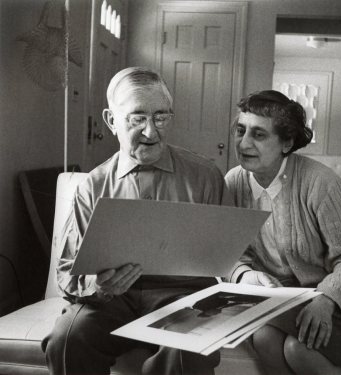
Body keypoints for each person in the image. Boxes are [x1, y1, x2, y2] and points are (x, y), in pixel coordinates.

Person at [42, 67, 230, 375]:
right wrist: (98, 285)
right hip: (110, 301)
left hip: (184, 297)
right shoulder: (93, 185)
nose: (151, 132)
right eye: (137, 117)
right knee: (66, 339)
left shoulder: (205, 175)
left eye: (161, 117)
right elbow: (66, 270)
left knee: (187, 350)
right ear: (111, 120)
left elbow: (228, 254)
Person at [225, 90, 341, 375]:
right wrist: (245, 274)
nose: (243, 143)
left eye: (258, 134)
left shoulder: (320, 181)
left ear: (287, 142)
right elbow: (230, 252)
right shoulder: (233, 182)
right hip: (285, 297)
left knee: (299, 349)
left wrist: (327, 300)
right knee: (264, 338)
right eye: (240, 130)